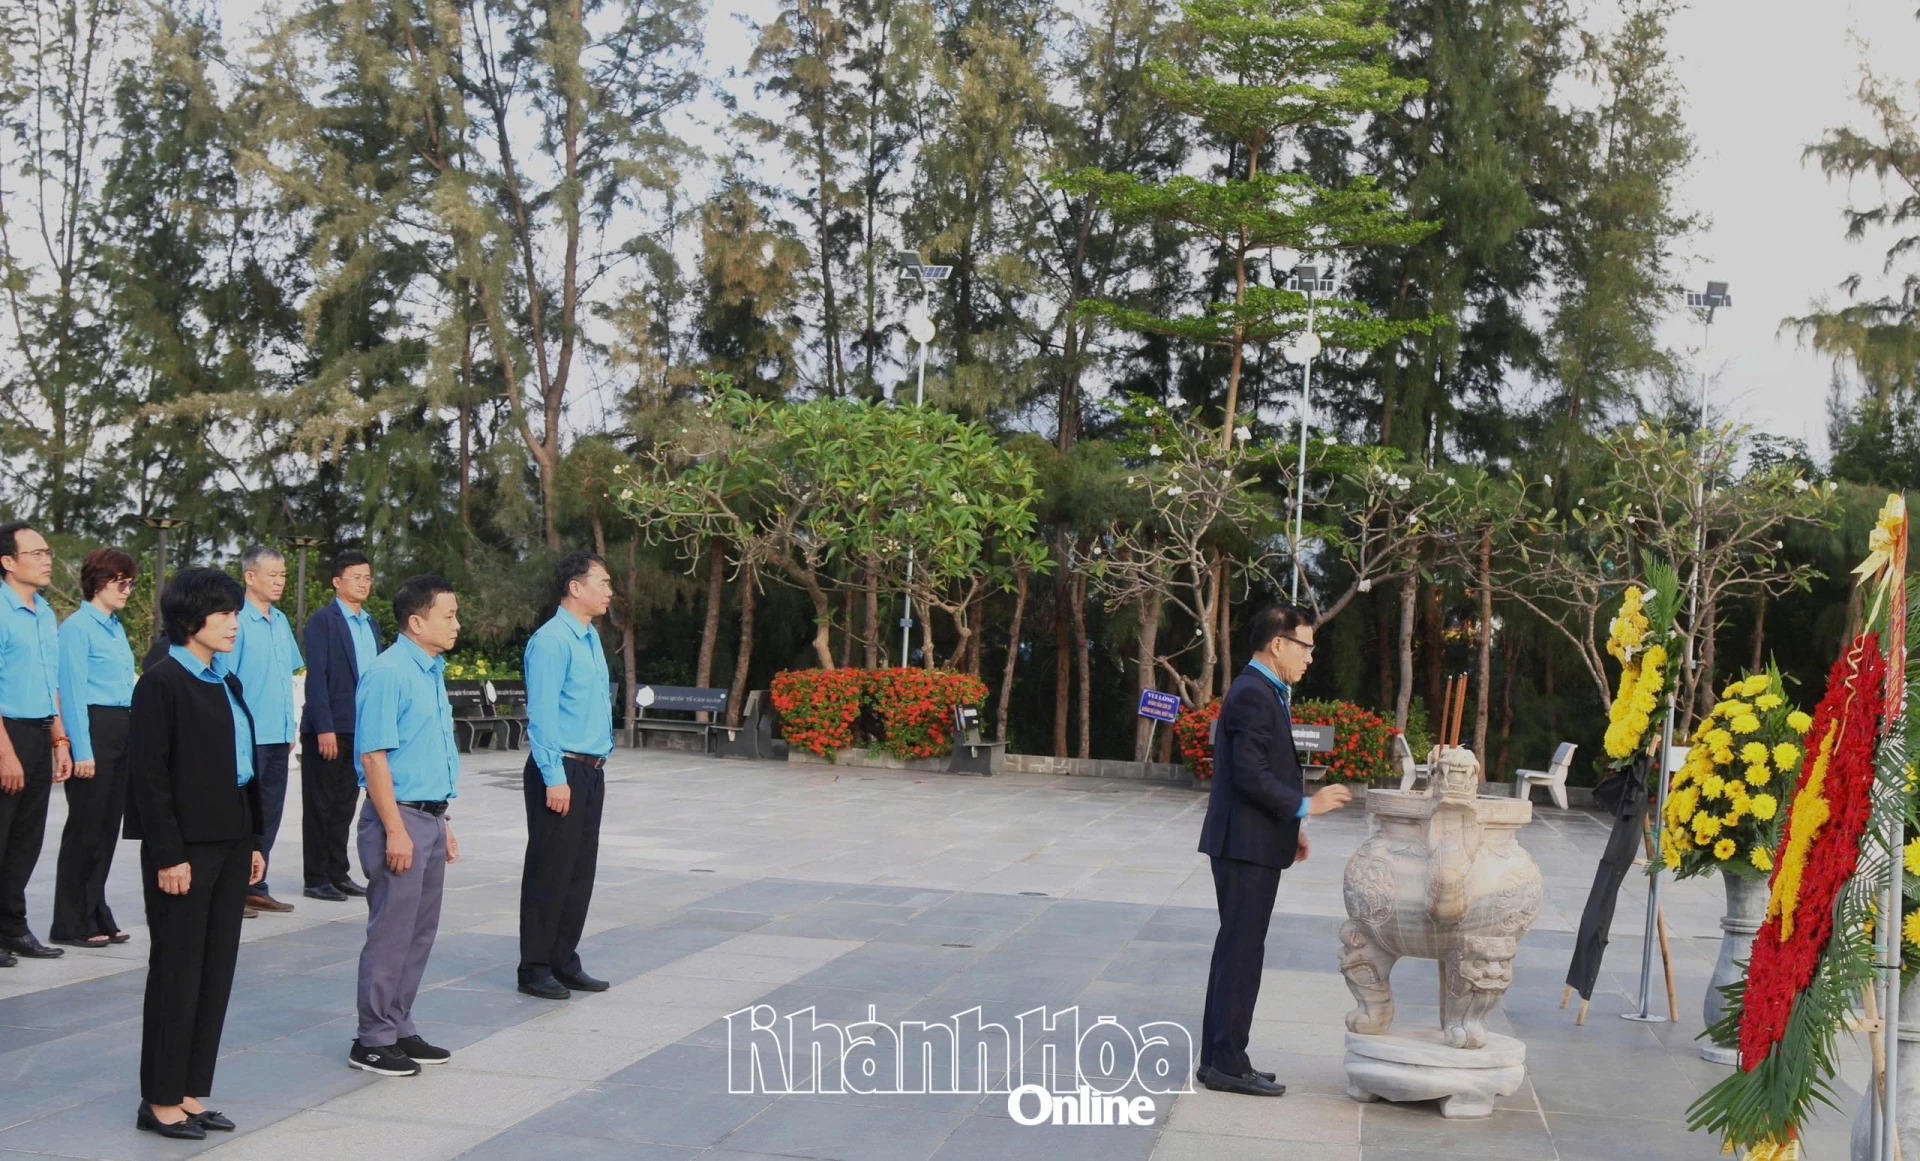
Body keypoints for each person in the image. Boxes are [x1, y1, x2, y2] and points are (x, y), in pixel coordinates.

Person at [126, 567, 265, 1139]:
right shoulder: (160, 683)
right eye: (224, 612)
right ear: (191, 619)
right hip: (185, 850)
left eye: (235, 611)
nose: (234, 622)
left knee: (215, 971)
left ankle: (188, 1092)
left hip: (231, 843)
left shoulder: (224, 681)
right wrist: (168, 854)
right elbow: (149, 778)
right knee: (178, 971)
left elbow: (244, 769)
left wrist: (254, 840)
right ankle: (157, 1099)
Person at [1196, 603, 1352, 1097]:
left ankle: (1221, 1058)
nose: (1310, 656)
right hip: (1243, 846)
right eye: (1305, 645)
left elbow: (1262, 768)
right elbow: (1250, 774)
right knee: (1241, 954)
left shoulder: (1264, 691)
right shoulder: (1252, 693)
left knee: (1236, 952)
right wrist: (1307, 804)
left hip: (1254, 841)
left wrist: (1293, 823)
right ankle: (1226, 1062)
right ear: (1278, 643)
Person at [347, 574, 462, 1077]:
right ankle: (371, 1039)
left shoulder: (429, 670)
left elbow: (426, 753)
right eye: (448, 615)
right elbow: (373, 757)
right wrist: (395, 829)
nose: (457, 624)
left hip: (429, 816)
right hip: (400, 818)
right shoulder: (390, 671)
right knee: (392, 931)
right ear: (416, 622)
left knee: (419, 931)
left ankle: (399, 1024)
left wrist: (444, 820)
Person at [516, 552, 614, 1000]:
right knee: (549, 870)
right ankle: (534, 967)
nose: (610, 591)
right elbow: (541, 716)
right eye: (603, 583)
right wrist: (555, 776)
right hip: (561, 769)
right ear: (576, 587)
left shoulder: (590, 637)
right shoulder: (552, 640)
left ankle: (563, 959)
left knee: (579, 872)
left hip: (591, 769)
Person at [51, 548, 139, 947]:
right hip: (94, 727)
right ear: (100, 582)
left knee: (106, 829)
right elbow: (71, 692)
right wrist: (81, 749)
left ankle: (95, 908)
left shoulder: (115, 627)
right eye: (121, 582)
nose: (127, 590)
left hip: (121, 727)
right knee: (85, 828)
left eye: (131, 583)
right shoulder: (77, 628)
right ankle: (71, 920)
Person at [0, 522, 72, 964]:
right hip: (6, 732)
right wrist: (5, 752)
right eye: (36, 553)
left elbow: (52, 683)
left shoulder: (45, 612)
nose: (47, 559)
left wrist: (59, 738)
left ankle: (11, 926)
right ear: (8, 562)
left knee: (26, 838)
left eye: (48, 551)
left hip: (38, 730)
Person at [300, 550, 379, 902]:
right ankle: (316, 877)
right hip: (331, 728)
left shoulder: (371, 623)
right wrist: (324, 728)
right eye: (356, 576)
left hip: (360, 728)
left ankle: (337, 872)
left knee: (345, 805)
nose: (364, 583)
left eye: (367, 577)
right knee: (321, 805)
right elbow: (316, 677)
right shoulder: (324, 621)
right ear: (337, 581)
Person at [230, 546, 302, 915]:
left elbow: (286, 676)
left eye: (283, 575)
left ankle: (256, 884)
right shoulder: (235, 621)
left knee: (270, 814)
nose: (279, 581)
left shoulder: (281, 621)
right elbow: (227, 683)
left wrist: (290, 726)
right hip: (248, 737)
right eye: (272, 574)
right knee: (245, 814)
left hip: (278, 734)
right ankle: (234, 887)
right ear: (250, 577)